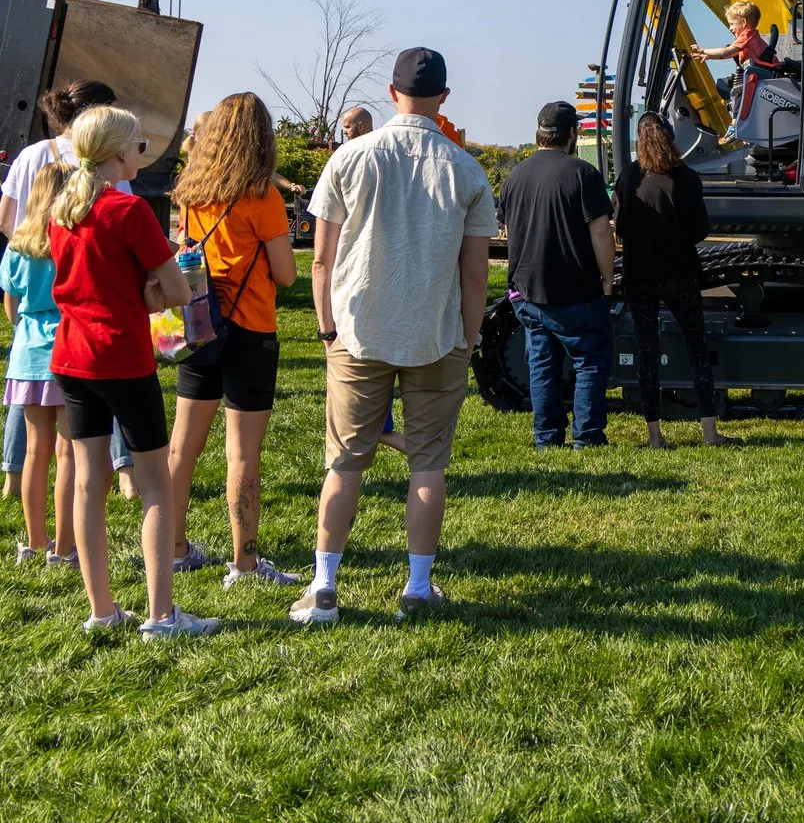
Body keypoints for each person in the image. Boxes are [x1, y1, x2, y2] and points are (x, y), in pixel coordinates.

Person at [298, 47, 495, 625]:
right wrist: (468, 336)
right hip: (436, 331)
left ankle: (325, 584)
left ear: (391, 93)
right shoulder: (465, 169)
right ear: (444, 98)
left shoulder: (350, 157)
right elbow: (476, 274)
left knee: (344, 462)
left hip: (357, 328)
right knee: (428, 462)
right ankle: (417, 586)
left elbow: (321, 260)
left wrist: (326, 328)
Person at [48, 104, 221, 640]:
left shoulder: (63, 210)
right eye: (140, 145)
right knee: (155, 486)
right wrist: (150, 293)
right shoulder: (129, 211)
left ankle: (101, 610)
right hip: (121, 357)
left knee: (88, 483)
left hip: (71, 356)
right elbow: (178, 290)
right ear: (120, 152)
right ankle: (161, 616)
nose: (143, 153)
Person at [164, 91, 304, 591]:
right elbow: (286, 274)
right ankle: (244, 563)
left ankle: (173, 548)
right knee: (242, 455)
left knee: (183, 447)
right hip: (249, 329)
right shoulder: (262, 197)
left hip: (200, 323)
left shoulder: (191, 190)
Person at [0, 79, 139, 499]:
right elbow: (120, 229)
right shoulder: (102, 157)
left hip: (31, 302)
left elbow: (5, 218)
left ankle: (13, 475)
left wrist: (28, 249)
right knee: (106, 391)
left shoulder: (31, 154)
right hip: (81, 299)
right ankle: (125, 471)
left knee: (27, 393)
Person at [499, 100, 618, 450]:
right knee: (589, 361)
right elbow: (601, 232)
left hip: (528, 291)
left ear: (538, 133)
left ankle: (547, 438)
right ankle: (588, 436)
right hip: (577, 290)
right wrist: (607, 279)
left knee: (541, 364)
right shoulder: (583, 174)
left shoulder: (515, 176)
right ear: (573, 133)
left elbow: (508, 230)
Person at [617, 113, 721, 448]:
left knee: (647, 353)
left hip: (639, 276)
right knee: (696, 348)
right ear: (671, 137)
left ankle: (655, 436)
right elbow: (699, 230)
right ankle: (709, 432)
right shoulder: (686, 177)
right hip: (679, 272)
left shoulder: (629, 176)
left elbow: (620, 228)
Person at [0, 162, 78, 570]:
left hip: (27, 353)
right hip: (68, 349)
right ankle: (64, 548)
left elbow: (10, 306)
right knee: (68, 453)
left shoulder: (18, 242)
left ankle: (33, 542)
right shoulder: (72, 238)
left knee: (35, 452)